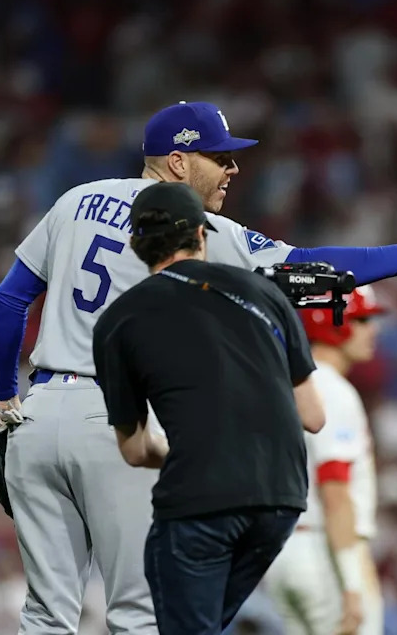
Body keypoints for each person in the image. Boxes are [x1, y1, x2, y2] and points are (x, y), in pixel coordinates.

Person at [0, 100, 397, 634]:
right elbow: (306, 267)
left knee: (46, 614)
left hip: (38, 416)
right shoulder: (201, 229)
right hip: (117, 420)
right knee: (139, 614)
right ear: (179, 163)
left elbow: (9, 299)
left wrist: (4, 396)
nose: (232, 170)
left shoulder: (76, 201)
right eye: (219, 157)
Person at [91, 181, 323, 634]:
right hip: (280, 498)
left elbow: (136, 451)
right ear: (202, 233)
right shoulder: (265, 291)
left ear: (137, 244)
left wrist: (184, 450)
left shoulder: (119, 319)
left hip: (201, 500)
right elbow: (313, 415)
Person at [263, 286, 386, 635]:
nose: (372, 330)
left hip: (282, 551)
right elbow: (334, 490)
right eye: (362, 319)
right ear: (333, 322)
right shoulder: (332, 391)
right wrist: (351, 581)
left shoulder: (289, 384)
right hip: (325, 552)